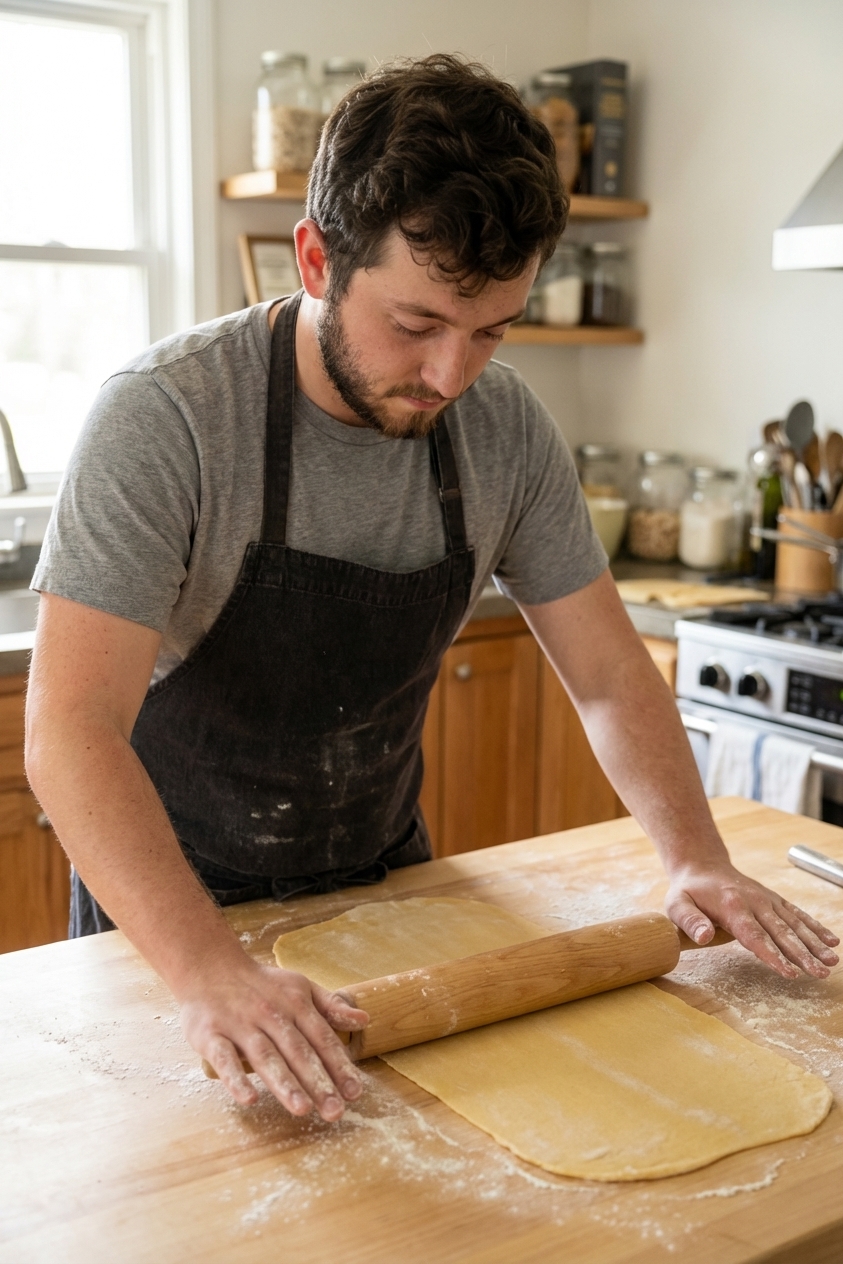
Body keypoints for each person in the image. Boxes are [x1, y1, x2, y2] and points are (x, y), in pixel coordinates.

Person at [26, 54, 838, 1124]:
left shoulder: (504, 431)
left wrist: (695, 857)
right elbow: (71, 730)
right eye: (415, 325)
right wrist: (211, 972)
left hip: (388, 889)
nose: (452, 375)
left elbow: (606, 672)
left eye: (492, 329)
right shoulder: (168, 418)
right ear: (317, 259)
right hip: (174, 926)